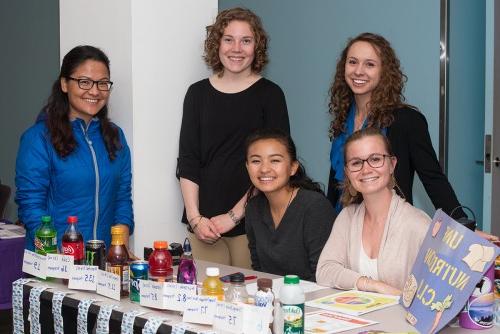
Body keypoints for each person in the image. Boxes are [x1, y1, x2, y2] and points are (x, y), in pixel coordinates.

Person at [177, 7, 289, 268]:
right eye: (228, 39)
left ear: (256, 47)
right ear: (217, 44)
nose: (236, 48)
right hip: (204, 227)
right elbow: (188, 161)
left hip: (253, 220)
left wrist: (234, 216)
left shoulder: (271, 95)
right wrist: (195, 218)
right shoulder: (197, 94)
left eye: (246, 41)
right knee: (208, 302)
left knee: (249, 301)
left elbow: (273, 168)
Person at [326, 32, 465, 219]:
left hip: (391, 228)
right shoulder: (343, 118)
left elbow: (433, 179)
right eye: (352, 62)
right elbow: (335, 186)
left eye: (370, 64)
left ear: (384, 71)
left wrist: (463, 224)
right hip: (345, 224)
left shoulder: (406, 120)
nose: (358, 71)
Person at [16, 45, 134, 251]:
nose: (95, 91)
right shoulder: (38, 138)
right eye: (84, 82)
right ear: (64, 84)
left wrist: (120, 244)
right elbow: (31, 207)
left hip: (104, 262)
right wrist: (56, 255)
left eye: (103, 83)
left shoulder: (115, 137)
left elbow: (122, 197)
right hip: (54, 261)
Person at [317, 128, 430, 295]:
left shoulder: (419, 224)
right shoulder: (347, 217)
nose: (366, 169)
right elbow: (325, 271)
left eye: (375, 159)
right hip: (357, 317)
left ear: (392, 165)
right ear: (347, 172)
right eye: (356, 163)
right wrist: (371, 284)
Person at [245, 129, 335, 281]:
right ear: (247, 167)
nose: (264, 169)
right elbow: (259, 270)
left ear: (293, 167)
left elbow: (323, 275)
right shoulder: (253, 208)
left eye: (275, 160)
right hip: (272, 299)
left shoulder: (314, 207)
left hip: (311, 299)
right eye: (255, 161)